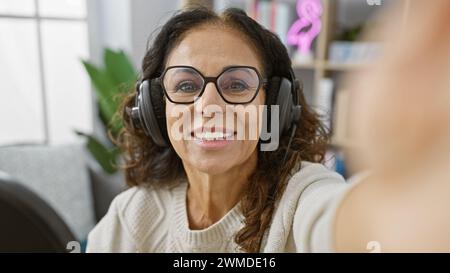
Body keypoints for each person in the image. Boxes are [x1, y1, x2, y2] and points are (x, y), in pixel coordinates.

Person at [87, 1, 450, 252]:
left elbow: (355, 228)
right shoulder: (133, 214)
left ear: (274, 105)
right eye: (185, 86)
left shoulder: (303, 197)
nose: (209, 106)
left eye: (237, 85)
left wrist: (409, 202)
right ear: (156, 108)